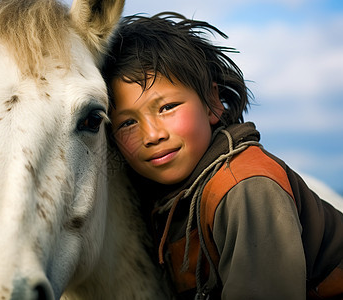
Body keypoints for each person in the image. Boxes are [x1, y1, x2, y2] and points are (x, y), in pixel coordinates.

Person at [101, 12, 343, 300]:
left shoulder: (245, 187)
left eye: (167, 107)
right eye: (127, 123)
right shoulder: (159, 200)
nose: (152, 135)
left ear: (213, 103)